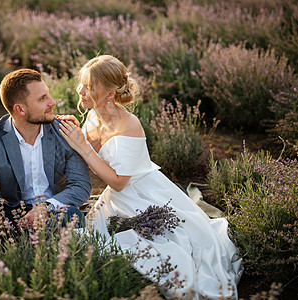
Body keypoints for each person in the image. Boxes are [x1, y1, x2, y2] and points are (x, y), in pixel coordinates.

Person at [59, 55, 243, 299]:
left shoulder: (128, 125)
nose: (81, 91)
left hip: (143, 195)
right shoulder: (92, 115)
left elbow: (119, 181)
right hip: (113, 199)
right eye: (81, 83)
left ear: (110, 93)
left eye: (89, 86)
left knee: (166, 248)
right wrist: (76, 136)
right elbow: (92, 157)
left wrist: (82, 146)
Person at [0, 68, 91, 246]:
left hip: (54, 210)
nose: (52, 102)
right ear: (20, 109)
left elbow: (81, 186)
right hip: (12, 211)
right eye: (42, 98)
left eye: (48, 95)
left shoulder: (64, 131)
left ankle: (47, 257)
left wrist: (46, 207)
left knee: (72, 216)